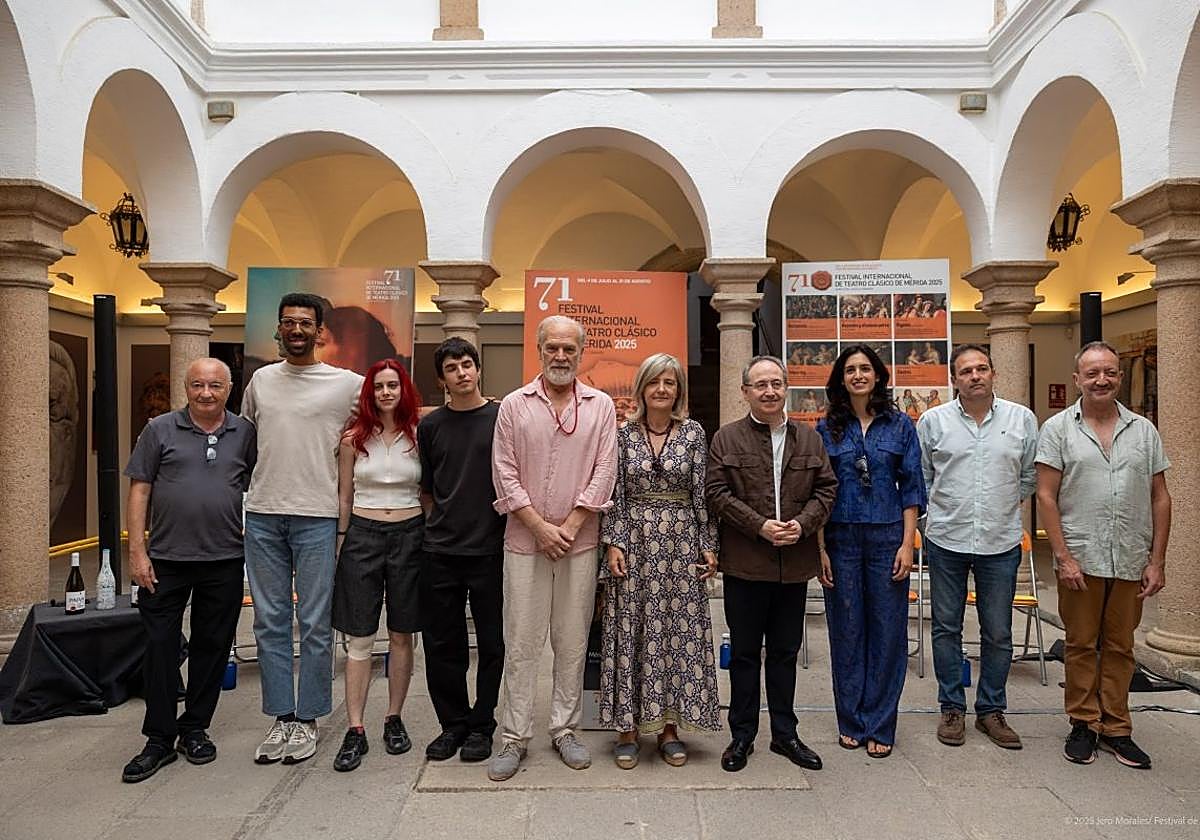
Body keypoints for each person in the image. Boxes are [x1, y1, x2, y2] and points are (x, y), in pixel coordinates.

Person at [487, 315, 618, 781]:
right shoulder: (514, 406)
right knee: (521, 643)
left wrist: (573, 523)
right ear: (539, 350)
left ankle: (565, 730)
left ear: (581, 353)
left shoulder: (601, 406)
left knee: (571, 640)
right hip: (525, 542)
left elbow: (605, 468)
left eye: (569, 349)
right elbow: (503, 470)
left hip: (579, 544)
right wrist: (539, 527)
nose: (560, 356)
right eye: (552, 348)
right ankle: (514, 736)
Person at [241, 292, 364, 765]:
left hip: (318, 515)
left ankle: (309, 717)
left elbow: (392, 415)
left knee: (314, 622)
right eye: (288, 322)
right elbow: (247, 440)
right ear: (278, 328)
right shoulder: (261, 381)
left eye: (305, 323)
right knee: (269, 621)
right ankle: (281, 717)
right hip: (264, 513)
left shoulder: (346, 385)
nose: (296, 329)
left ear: (319, 331)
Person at [121, 358, 257, 783]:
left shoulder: (245, 433)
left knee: (212, 648)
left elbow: (256, 484)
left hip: (224, 559)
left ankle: (195, 728)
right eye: (197, 385)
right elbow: (139, 489)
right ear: (186, 387)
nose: (205, 393)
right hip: (165, 560)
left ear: (229, 389)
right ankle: (158, 739)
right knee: (159, 647)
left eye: (214, 386)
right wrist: (137, 551)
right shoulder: (159, 429)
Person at [1036, 341, 1171, 770]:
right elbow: (1046, 496)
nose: (1102, 380)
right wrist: (1063, 556)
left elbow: (1161, 497)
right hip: (1081, 555)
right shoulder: (1058, 429)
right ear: (1077, 378)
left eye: (1110, 372)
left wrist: (1157, 560)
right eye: (1092, 373)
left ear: (1120, 377)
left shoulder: (1143, 431)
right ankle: (1083, 723)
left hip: (1130, 554)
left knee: (1121, 645)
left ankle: (1116, 727)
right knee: (1079, 643)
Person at [706, 355, 837, 773]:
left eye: (776, 383)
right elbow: (717, 493)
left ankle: (785, 734)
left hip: (793, 566)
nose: (769, 391)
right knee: (744, 654)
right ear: (745, 391)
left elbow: (827, 489)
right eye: (760, 384)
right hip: (746, 563)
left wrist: (803, 524)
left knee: (784, 653)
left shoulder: (810, 439)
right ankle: (741, 735)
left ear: (786, 388)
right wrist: (759, 525)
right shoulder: (726, 438)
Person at [599, 353, 721, 770]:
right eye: (654, 382)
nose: (662, 389)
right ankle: (628, 730)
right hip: (633, 544)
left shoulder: (693, 433)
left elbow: (701, 491)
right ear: (642, 389)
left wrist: (708, 543)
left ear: (679, 390)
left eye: (669, 382)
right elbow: (613, 492)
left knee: (675, 635)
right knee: (630, 631)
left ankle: (669, 729)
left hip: (680, 546)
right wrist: (613, 543)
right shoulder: (622, 434)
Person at [917, 344, 1038, 750]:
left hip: (1000, 542)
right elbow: (923, 477)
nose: (975, 376)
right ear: (954, 379)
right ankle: (952, 707)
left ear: (993, 373)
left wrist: (999, 506)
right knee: (946, 628)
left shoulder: (1021, 419)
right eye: (966, 371)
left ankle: (991, 710)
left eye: (981, 368)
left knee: (998, 632)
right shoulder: (933, 421)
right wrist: (938, 514)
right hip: (947, 540)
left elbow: (1028, 475)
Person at [816, 344, 925, 758]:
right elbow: (818, 492)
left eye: (865, 368)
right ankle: (851, 721)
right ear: (841, 380)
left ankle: (880, 723)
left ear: (878, 375)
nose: (858, 375)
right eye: (850, 370)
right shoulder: (827, 428)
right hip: (840, 539)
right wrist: (820, 548)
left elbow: (912, 487)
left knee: (887, 631)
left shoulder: (900, 425)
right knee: (846, 630)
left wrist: (907, 544)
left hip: (887, 538)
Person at [329, 359, 425, 771]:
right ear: (370, 392)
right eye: (379, 386)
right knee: (360, 636)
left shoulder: (419, 435)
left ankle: (393, 718)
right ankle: (355, 728)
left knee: (402, 633)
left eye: (393, 385)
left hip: (410, 535)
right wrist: (341, 541)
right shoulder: (353, 438)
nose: (386, 392)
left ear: (403, 390)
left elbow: (426, 492)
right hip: (362, 535)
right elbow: (344, 494)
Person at [417, 338, 507, 763]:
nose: (461, 373)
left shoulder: (502, 418)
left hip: (491, 549)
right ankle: (452, 724)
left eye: (467, 364)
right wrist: (439, 524)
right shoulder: (431, 426)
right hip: (440, 551)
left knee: (492, 644)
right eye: (452, 368)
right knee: (441, 645)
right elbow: (428, 489)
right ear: (442, 379)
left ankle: (482, 725)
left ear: (478, 369)